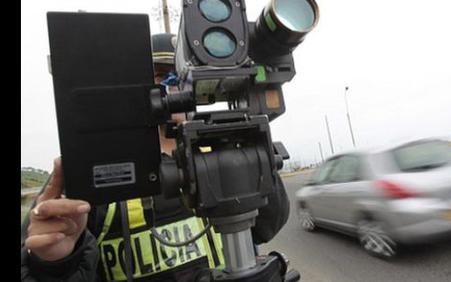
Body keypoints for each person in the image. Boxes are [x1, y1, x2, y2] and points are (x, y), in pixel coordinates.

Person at [21, 33, 290, 281]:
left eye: (180, 76)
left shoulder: (217, 150)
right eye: (160, 76)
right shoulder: (94, 166)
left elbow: (267, 227)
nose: (172, 86)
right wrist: (53, 264)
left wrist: (248, 146)